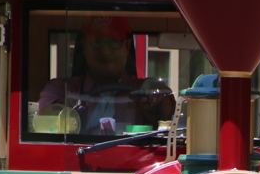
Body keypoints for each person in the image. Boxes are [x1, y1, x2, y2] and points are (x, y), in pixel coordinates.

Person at [37, 16, 174, 134]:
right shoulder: (62, 89)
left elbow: (170, 114)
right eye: (98, 43)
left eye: (113, 43)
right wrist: (68, 112)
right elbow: (47, 119)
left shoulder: (144, 91)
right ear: (84, 46)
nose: (106, 52)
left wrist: (156, 98)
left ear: (127, 46)